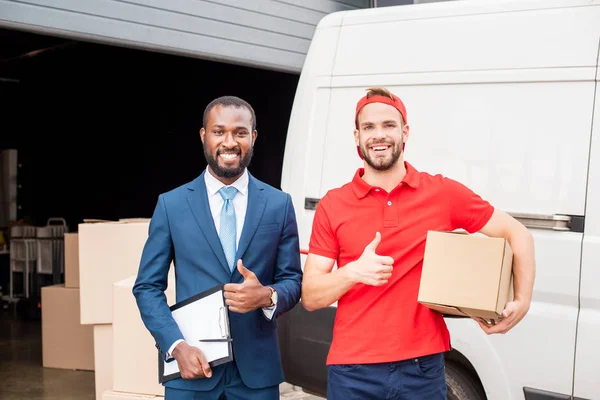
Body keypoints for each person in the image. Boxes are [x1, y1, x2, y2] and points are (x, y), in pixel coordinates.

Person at [301, 87, 536, 399]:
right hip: (353, 371)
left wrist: (522, 300)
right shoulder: (334, 204)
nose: (378, 135)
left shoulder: (441, 194)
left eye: (388, 125)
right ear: (356, 136)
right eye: (369, 127)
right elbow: (310, 296)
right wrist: (353, 273)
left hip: (422, 369)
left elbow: (518, 234)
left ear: (405, 132)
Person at [132, 95, 303, 400]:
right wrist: (175, 347)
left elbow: (292, 280)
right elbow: (146, 287)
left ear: (253, 137)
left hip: (257, 376)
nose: (229, 142)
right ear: (204, 136)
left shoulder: (279, 204)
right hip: (191, 370)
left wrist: (267, 296)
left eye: (239, 132)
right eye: (219, 131)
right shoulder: (171, 205)